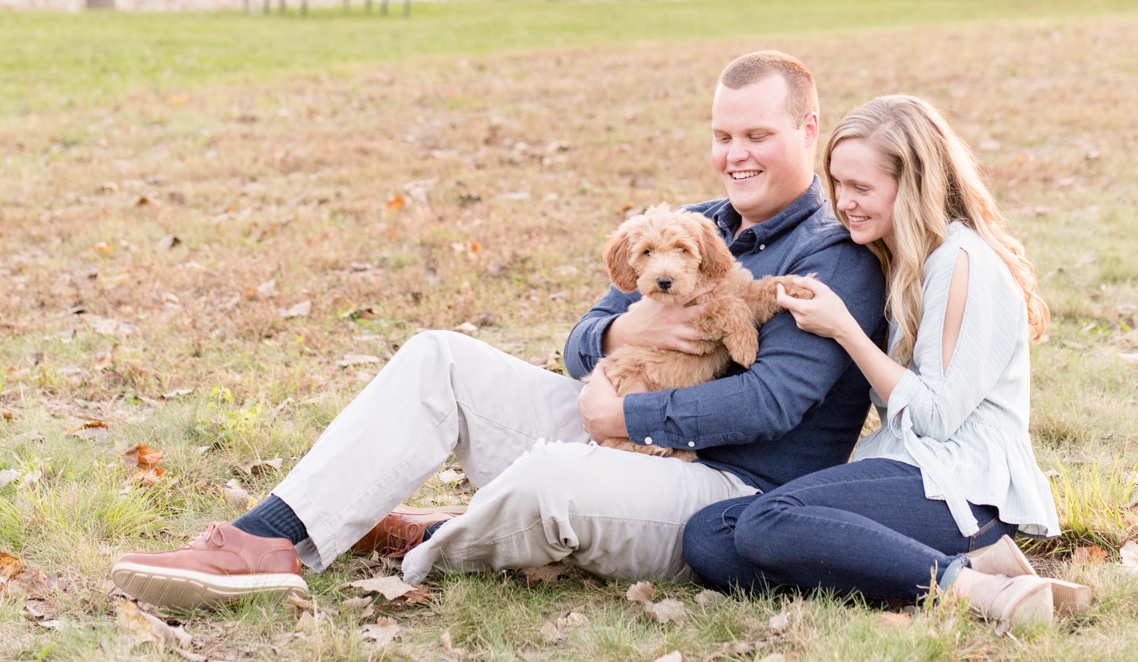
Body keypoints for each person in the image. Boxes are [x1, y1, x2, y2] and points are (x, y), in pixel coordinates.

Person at [111, 51, 887, 613]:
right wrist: (622, 337)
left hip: (727, 490)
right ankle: (266, 540)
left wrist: (625, 415)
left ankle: (435, 535)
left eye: (756, 135)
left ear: (808, 129)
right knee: (438, 357)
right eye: (722, 135)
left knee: (553, 474)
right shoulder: (694, 225)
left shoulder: (832, 253)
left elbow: (774, 403)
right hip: (623, 429)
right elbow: (579, 337)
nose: (733, 155)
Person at [682, 93, 1074, 631]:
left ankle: (979, 588)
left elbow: (936, 418)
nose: (844, 202)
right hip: (908, 468)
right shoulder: (899, 260)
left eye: (862, 188)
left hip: (961, 487)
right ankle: (918, 571)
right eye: (838, 184)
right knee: (711, 535)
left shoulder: (961, 262)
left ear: (913, 186)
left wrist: (844, 329)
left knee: (765, 524)